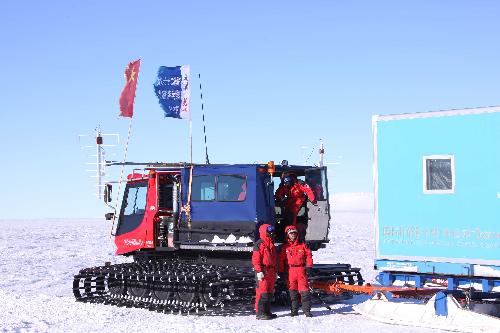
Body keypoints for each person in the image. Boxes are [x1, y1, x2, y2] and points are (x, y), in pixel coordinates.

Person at [278, 225, 314, 317]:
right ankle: (294, 311)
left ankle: (307, 311)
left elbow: (309, 256)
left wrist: (309, 267)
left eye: (294, 233)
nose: (293, 234)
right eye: (291, 233)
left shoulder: (303, 245)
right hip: (290, 271)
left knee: (305, 292)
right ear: (287, 235)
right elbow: (280, 260)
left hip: (301, 270)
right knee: (292, 293)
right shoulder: (285, 247)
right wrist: (281, 272)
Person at [252, 223, 278, 320]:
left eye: (272, 232)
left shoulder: (272, 245)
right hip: (263, 270)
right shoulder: (259, 244)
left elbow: (275, 259)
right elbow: (256, 259)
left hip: (271, 271)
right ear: (264, 232)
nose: (271, 233)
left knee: (269, 292)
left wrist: (275, 271)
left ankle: (267, 312)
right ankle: (260, 313)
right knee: (263, 292)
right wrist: (258, 271)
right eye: (269, 232)